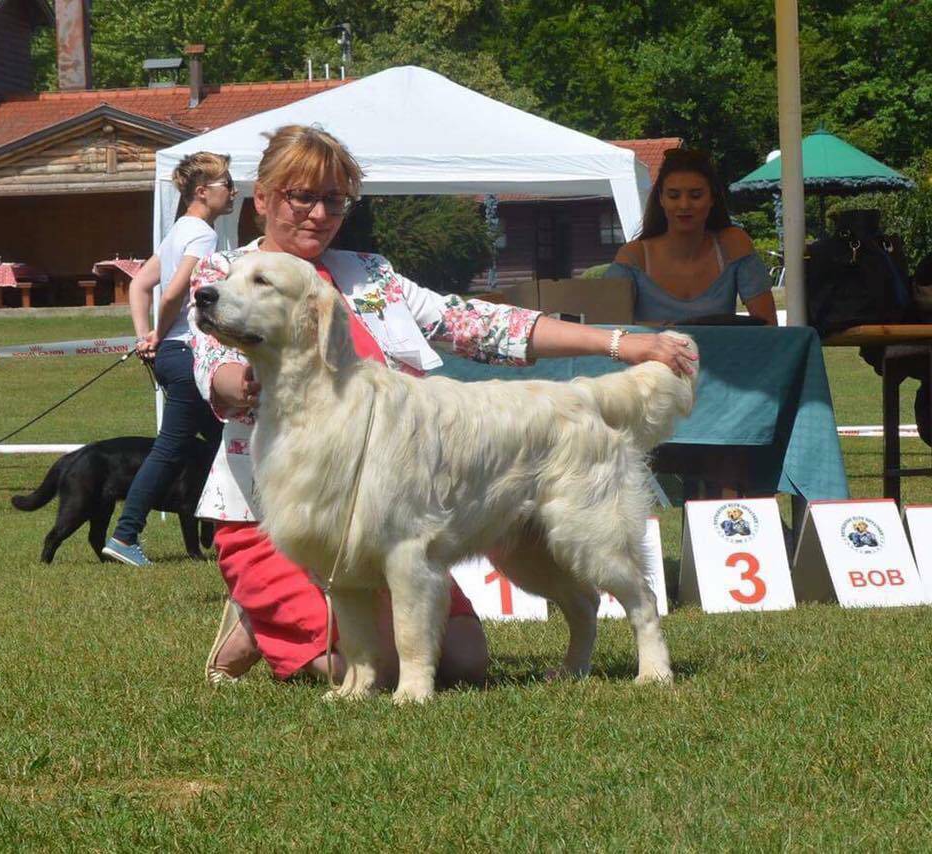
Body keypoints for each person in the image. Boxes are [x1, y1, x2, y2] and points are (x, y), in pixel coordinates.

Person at [195, 125, 698, 688]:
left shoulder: (371, 276)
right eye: (301, 195)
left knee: (464, 663)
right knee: (354, 669)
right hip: (262, 516)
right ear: (261, 198)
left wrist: (621, 343)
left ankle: (638, 635)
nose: (318, 213)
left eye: (333, 199)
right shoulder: (221, 278)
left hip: (397, 513)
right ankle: (255, 610)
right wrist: (236, 381)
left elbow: (480, 325)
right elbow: (209, 363)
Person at [101, 152, 235, 566]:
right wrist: (158, 332)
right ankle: (125, 536)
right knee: (171, 449)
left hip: (171, 356)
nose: (232, 192)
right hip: (187, 355)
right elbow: (178, 291)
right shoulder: (203, 235)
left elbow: (140, 284)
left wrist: (145, 336)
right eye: (226, 185)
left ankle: (232, 532)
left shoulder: (179, 230)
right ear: (202, 192)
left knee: (226, 442)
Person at [609, 148, 778, 326]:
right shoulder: (633, 256)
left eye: (695, 195)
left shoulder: (733, 243)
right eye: (674, 196)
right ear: (661, 199)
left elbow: (768, 326)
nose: (684, 205)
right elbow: (606, 329)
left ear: (712, 198)